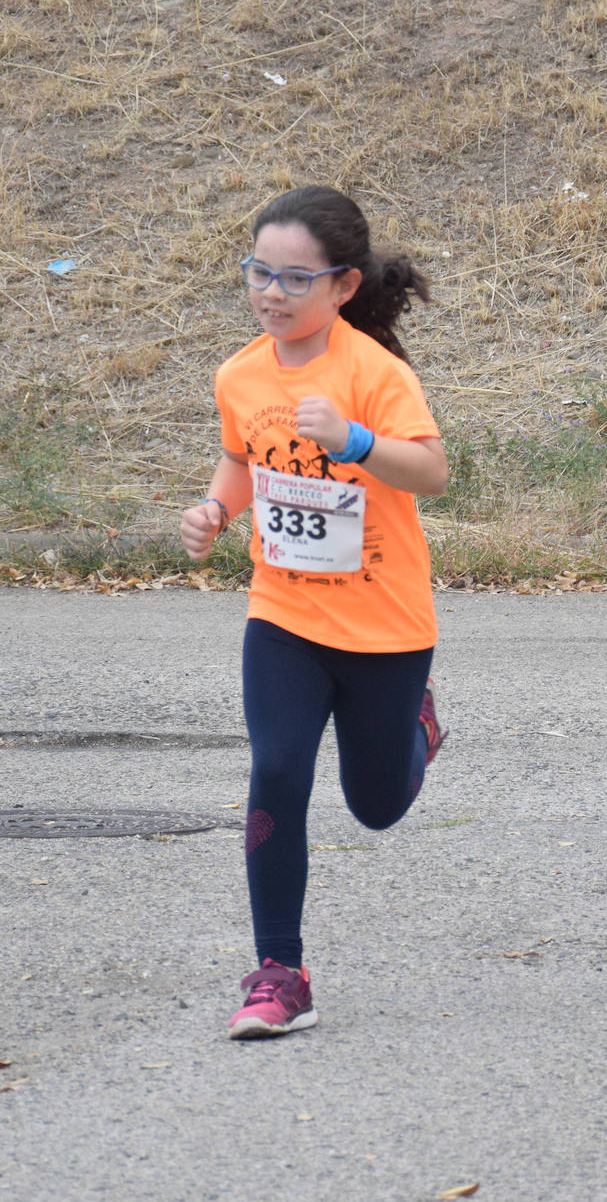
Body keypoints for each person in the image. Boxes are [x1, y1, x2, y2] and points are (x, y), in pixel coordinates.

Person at [181, 185, 449, 1037]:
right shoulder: (239, 374)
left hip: (386, 626)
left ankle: (418, 730)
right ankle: (278, 972)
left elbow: (432, 473)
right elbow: (240, 458)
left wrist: (356, 441)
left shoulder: (375, 373)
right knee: (278, 771)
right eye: (260, 272)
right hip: (284, 614)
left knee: (375, 805)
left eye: (296, 279)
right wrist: (217, 512)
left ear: (343, 286)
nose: (271, 293)